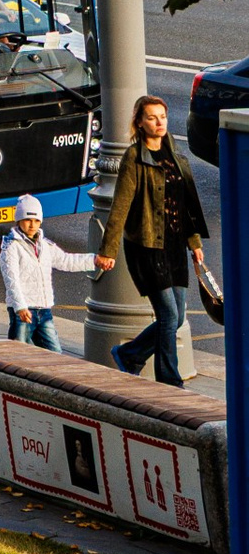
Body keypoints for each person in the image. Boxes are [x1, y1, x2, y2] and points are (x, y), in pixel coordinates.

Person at [100, 94, 210, 386]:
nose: (159, 122)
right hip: (147, 246)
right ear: (139, 122)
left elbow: (185, 201)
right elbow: (120, 206)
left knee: (177, 316)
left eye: (162, 116)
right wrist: (108, 250)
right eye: (151, 117)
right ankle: (169, 380)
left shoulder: (172, 150)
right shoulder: (134, 157)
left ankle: (130, 354)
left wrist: (194, 242)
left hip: (174, 247)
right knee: (168, 315)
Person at [0, 191, 96, 351]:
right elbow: (11, 280)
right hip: (24, 310)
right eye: (28, 220)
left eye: (36, 220)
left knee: (55, 354)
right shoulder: (11, 247)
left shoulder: (45, 245)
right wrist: (20, 307)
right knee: (19, 354)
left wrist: (94, 260)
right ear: (19, 220)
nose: (32, 225)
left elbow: (66, 261)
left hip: (44, 310)